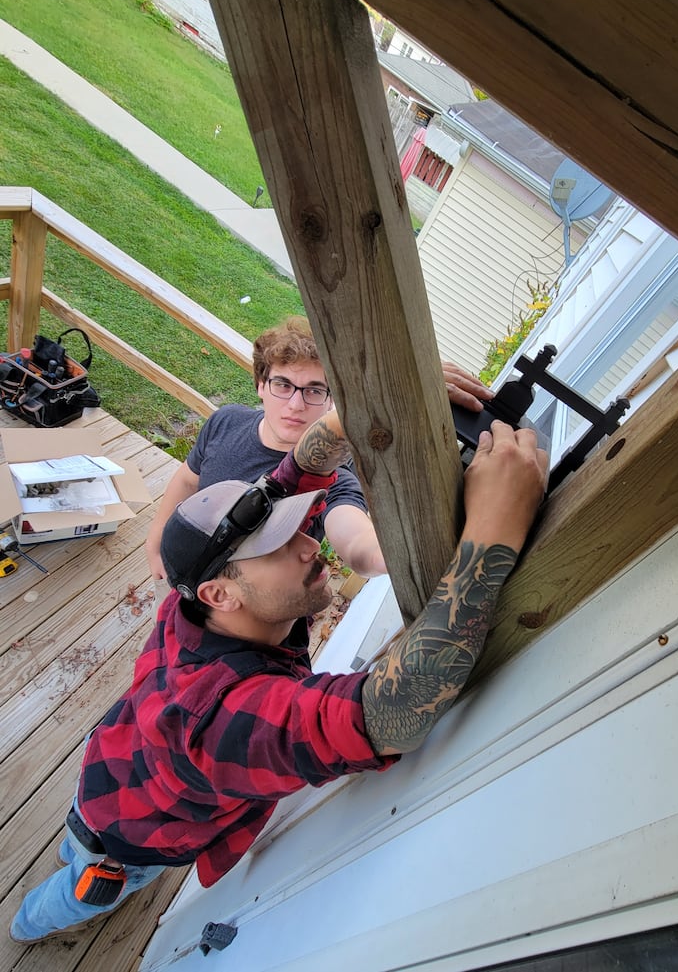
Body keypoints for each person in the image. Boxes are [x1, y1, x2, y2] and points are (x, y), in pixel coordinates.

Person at [10, 413, 548, 944]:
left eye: (298, 528)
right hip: (136, 843)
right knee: (79, 891)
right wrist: (494, 530)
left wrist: (347, 415)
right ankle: (26, 926)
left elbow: (294, 474)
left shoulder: (196, 600)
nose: (311, 545)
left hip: (104, 772)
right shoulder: (226, 721)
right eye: (278, 546)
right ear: (222, 594)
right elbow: (397, 709)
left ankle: (73, 848)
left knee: (77, 842)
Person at [145, 315, 494, 581]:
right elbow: (188, 480)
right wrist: (157, 537)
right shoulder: (226, 421)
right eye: (283, 384)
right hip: (181, 570)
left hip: (247, 616)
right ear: (260, 385)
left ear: (332, 401)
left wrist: (418, 550)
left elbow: (358, 545)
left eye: (315, 390)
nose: (296, 404)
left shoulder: (331, 474)